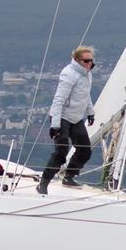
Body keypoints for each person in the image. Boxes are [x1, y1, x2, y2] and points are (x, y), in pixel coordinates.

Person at [37, 46, 96, 195]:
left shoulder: (87, 74)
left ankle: (69, 176)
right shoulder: (68, 74)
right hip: (62, 118)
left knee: (85, 150)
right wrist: (55, 125)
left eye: (91, 61)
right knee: (61, 153)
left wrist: (90, 112)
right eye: (86, 61)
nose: (90, 64)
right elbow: (58, 100)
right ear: (77, 60)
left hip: (76, 118)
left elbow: (85, 94)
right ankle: (43, 184)